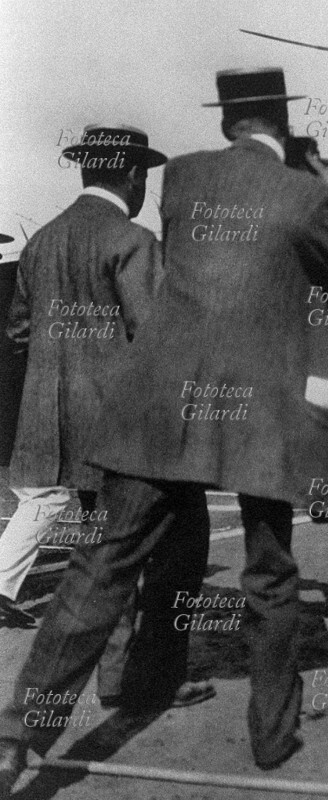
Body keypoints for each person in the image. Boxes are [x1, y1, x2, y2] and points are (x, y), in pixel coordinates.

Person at [0, 67, 328, 793]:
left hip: (161, 404)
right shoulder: (306, 193)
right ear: (282, 123)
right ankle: (271, 735)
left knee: (102, 565)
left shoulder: (180, 180)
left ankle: (15, 737)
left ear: (225, 123)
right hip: (259, 407)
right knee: (270, 573)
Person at [0, 125, 209, 709]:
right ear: (134, 175)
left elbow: (19, 333)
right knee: (173, 553)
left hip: (63, 433)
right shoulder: (132, 239)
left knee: (104, 557)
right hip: (128, 431)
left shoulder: (40, 243)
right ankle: (143, 680)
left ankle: (111, 680)